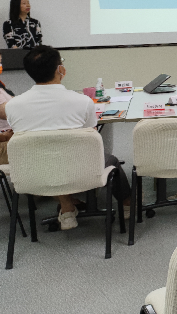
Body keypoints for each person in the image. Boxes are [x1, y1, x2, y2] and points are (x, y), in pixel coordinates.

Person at [3, 46, 131, 229]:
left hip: (33, 172)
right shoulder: (82, 101)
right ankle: (127, 205)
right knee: (111, 160)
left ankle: (68, 209)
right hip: (80, 170)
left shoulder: (12, 106)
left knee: (52, 155)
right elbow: (91, 137)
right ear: (60, 70)